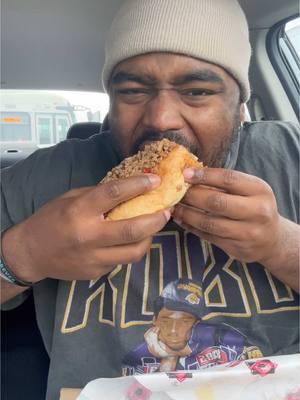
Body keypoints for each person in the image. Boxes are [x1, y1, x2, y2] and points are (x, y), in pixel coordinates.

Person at [0, 0, 299, 398]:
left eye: (196, 91)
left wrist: (280, 245)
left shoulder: (289, 155)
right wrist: (24, 254)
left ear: (240, 105)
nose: (161, 118)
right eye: (133, 91)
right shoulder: (46, 176)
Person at [122, 278, 263, 375]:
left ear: (196, 323)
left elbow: (256, 357)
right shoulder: (137, 357)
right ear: (155, 321)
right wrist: (169, 358)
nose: (173, 330)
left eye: (185, 321)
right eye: (166, 320)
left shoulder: (218, 336)